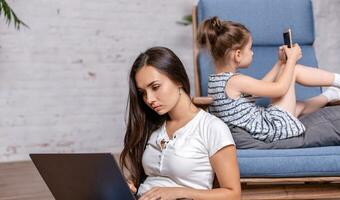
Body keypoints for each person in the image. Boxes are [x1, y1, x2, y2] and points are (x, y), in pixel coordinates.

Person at [120, 47, 241, 200]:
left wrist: (178, 192)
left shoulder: (212, 127)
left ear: (177, 79)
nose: (149, 99)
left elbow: (233, 194)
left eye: (155, 87)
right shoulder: (152, 126)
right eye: (143, 93)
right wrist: (130, 186)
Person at [197, 16, 340, 143]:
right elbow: (279, 89)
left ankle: (330, 95)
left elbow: (260, 88)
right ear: (238, 55)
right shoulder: (235, 81)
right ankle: (337, 80)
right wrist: (291, 61)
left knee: (299, 106)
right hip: (273, 130)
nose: (252, 53)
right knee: (293, 70)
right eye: (250, 48)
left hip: (262, 128)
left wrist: (280, 63)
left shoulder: (217, 81)